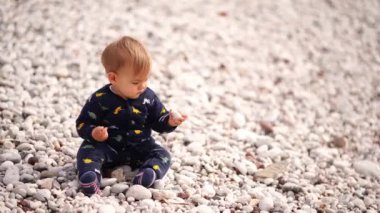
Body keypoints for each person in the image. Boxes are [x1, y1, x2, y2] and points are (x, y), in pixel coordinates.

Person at [75, 36, 187, 196]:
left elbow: (159, 121)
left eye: (146, 80)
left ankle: (148, 173)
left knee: (163, 155)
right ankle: (90, 176)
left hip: (140, 147)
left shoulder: (148, 97)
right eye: (135, 82)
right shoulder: (100, 99)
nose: (143, 86)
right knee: (87, 150)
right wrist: (94, 133)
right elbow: (83, 123)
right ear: (113, 78)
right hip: (108, 146)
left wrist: (170, 121)